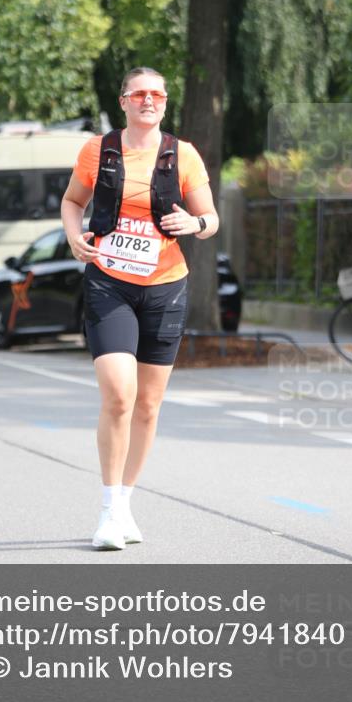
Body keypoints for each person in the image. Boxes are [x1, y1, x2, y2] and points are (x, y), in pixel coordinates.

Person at [61, 68, 218, 549]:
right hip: (109, 283)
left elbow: (211, 218)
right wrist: (73, 238)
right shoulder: (98, 150)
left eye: (157, 95)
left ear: (164, 103)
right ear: (124, 100)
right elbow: (72, 202)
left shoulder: (182, 154)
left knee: (148, 406)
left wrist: (194, 222)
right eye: (139, 94)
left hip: (166, 286)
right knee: (120, 395)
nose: (148, 101)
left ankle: (126, 503)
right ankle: (108, 512)